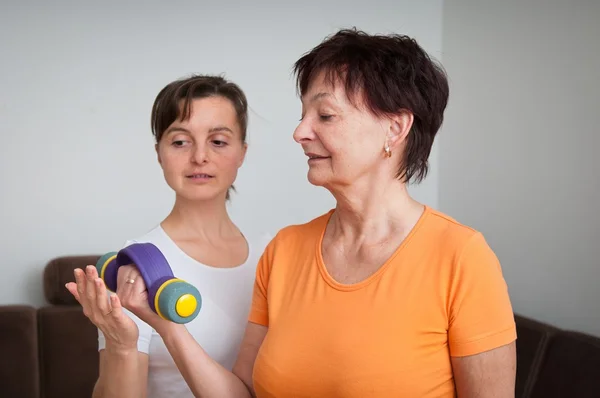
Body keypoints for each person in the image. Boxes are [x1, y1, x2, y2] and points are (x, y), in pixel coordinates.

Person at [69, 29, 517, 398]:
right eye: (304, 115)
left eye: (325, 115)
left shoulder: (461, 257)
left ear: (395, 127)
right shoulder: (285, 251)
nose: (300, 132)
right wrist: (168, 329)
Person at [66, 74, 271, 397]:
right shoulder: (137, 262)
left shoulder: (273, 254)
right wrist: (121, 347)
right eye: (180, 141)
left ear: (242, 152)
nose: (199, 157)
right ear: (159, 153)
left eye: (218, 141)